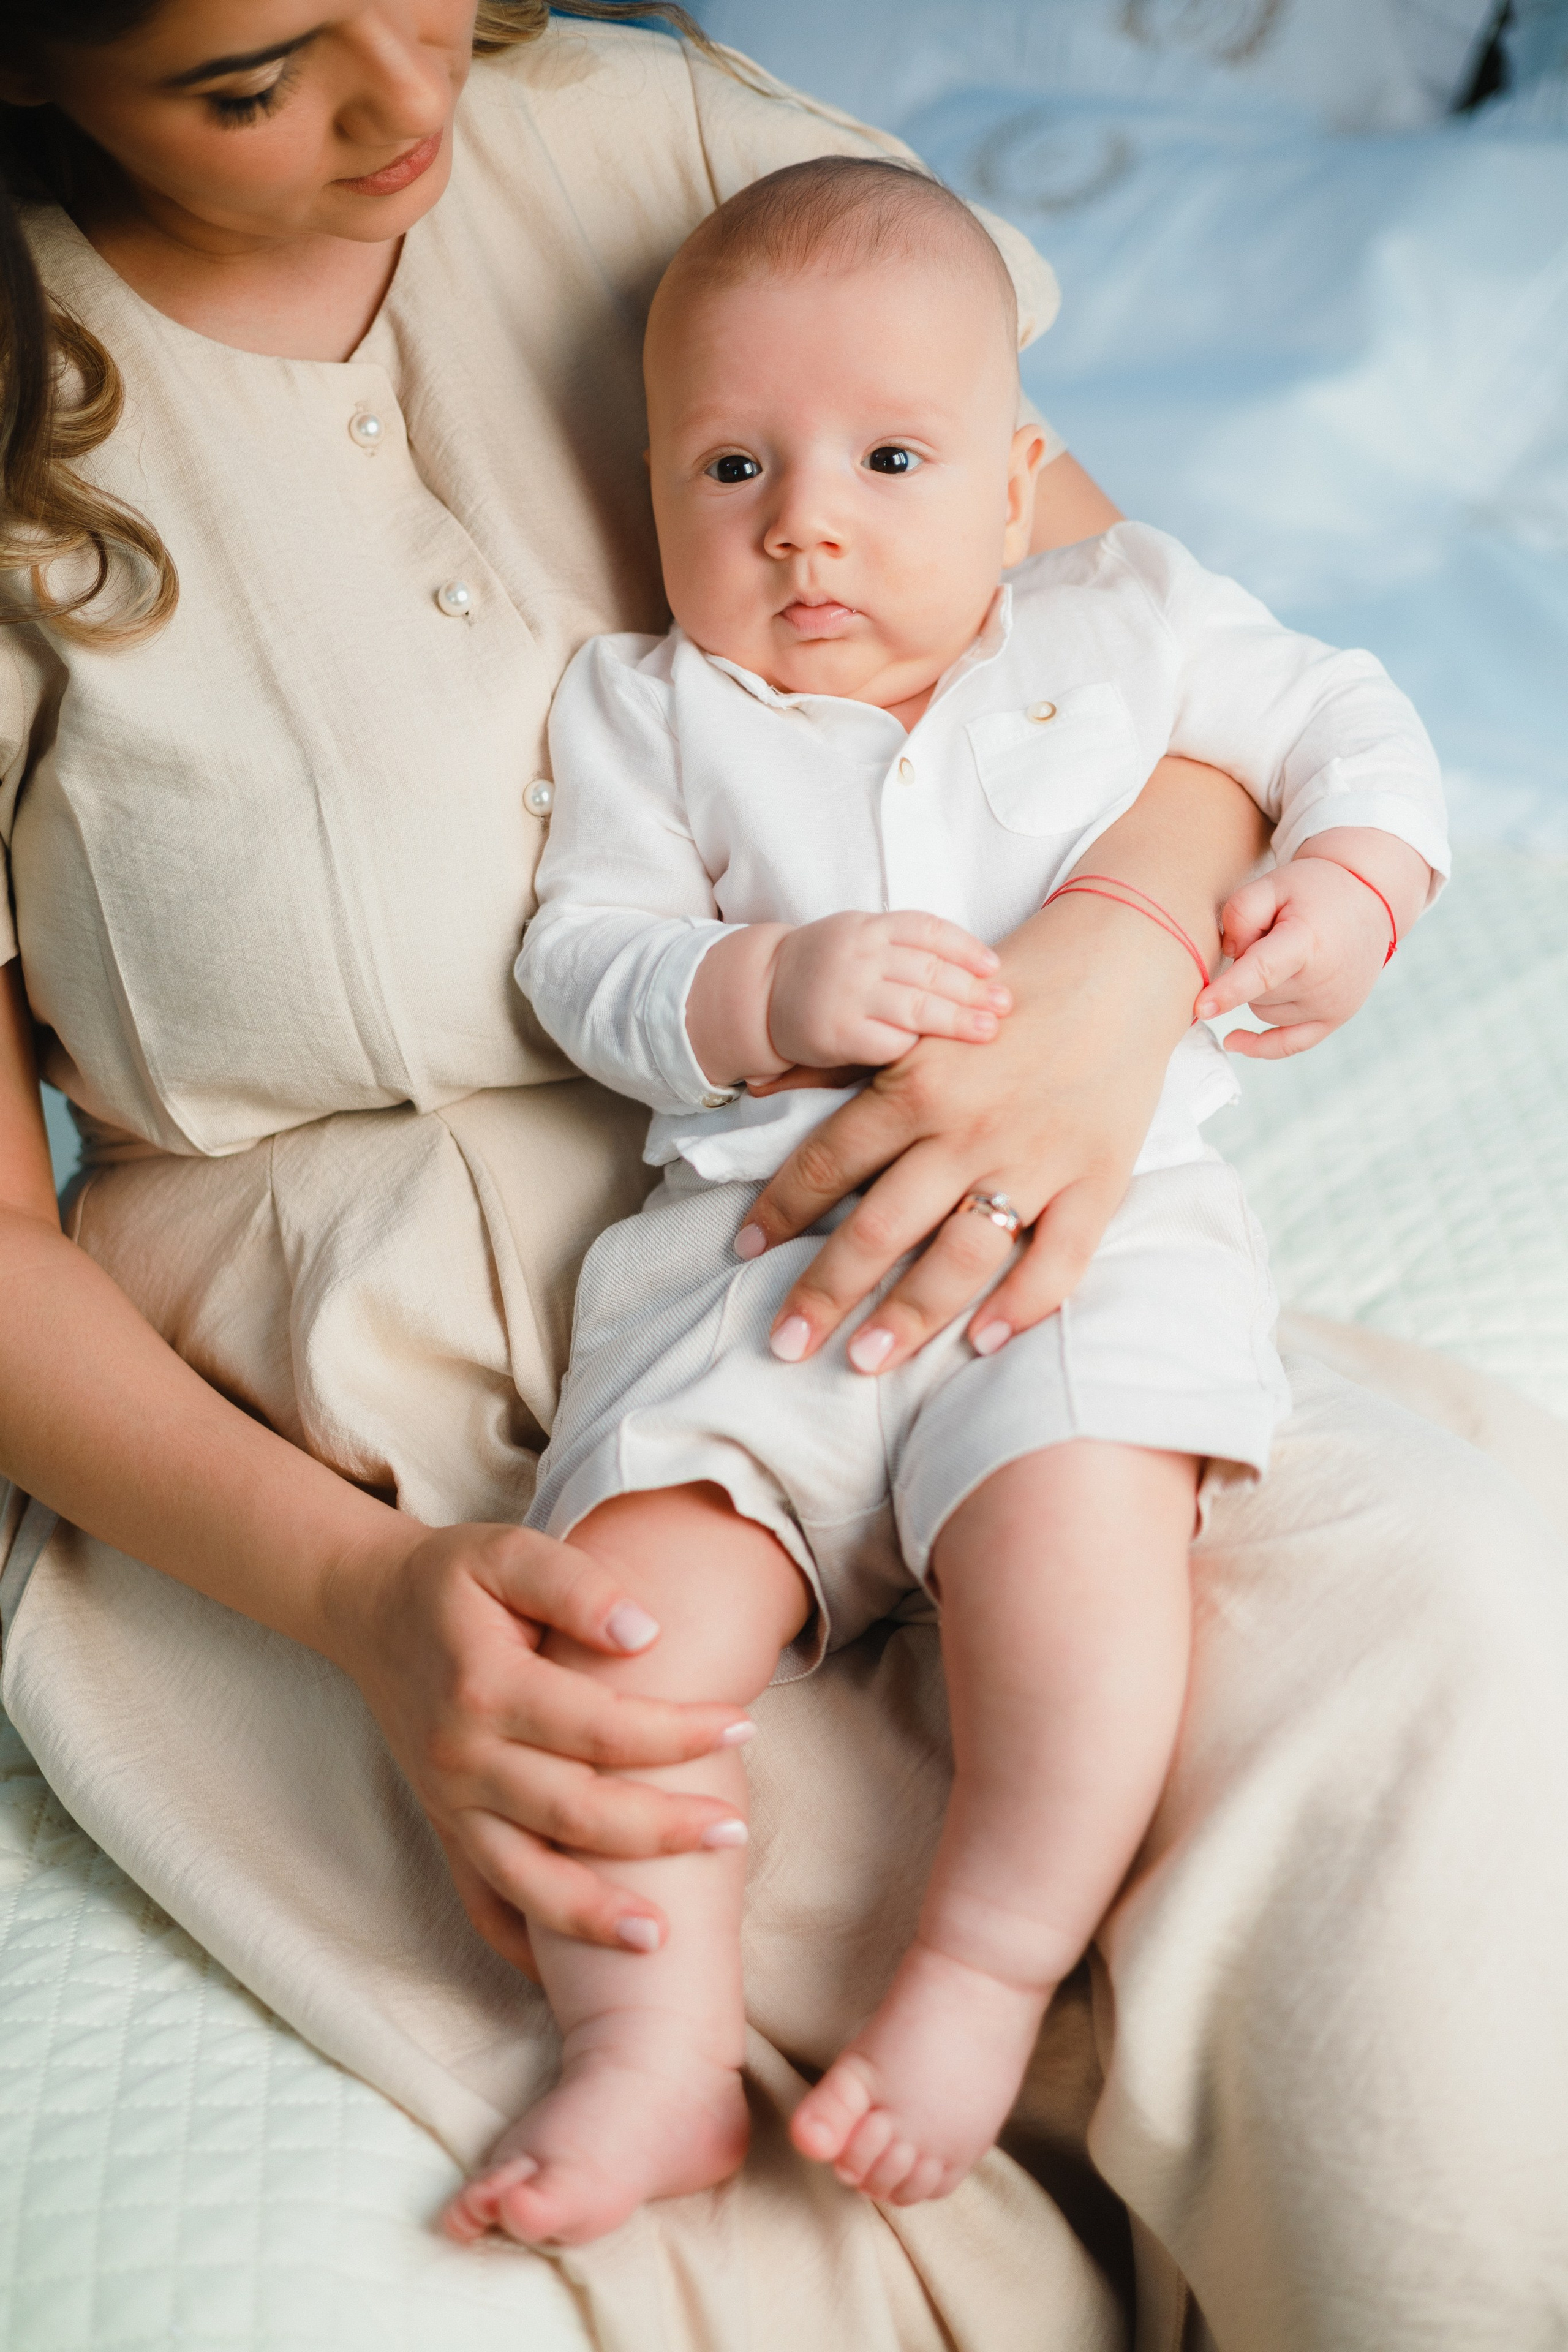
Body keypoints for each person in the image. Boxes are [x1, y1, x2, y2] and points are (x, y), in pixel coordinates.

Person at [0, 8, 1563, 2347]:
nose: (405, 106)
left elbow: (1159, 680)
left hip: (1009, 1206)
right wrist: (361, 1600)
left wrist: (1119, 982)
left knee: (1428, 1671)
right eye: (248, 80)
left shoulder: (685, 150)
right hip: (358, 1418)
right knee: (712, 1878)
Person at [443, 154, 1447, 2249]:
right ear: (649, 493)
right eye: (730, 465)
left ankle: (983, 1969)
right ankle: (648, 2054)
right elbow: (583, 956)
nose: (803, 519)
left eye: (891, 456)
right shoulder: (654, 711)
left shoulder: (1134, 624)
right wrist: (754, 986)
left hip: (1084, 1247)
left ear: (1018, 488)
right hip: (757, 1277)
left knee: (1088, 1587)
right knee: (617, 1641)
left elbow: (1355, 721)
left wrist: (1349, 890)